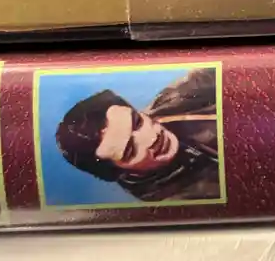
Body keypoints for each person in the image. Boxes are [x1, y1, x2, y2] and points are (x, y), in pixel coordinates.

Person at [53, 67, 222, 202]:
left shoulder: (172, 98)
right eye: (130, 150)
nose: (152, 138)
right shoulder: (184, 201)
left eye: (137, 122)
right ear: (122, 173)